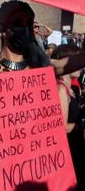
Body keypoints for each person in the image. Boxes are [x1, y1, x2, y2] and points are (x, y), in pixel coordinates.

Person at [0, 0, 85, 76]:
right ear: (3, 28)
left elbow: (60, 65)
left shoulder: (39, 67)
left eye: (29, 24)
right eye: (17, 23)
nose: (25, 28)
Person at [51, 44, 85, 191]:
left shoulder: (71, 88)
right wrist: (82, 125)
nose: (80, 65)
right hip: (69, 153)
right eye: (75, 60)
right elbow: (61, 128)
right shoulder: (60, 89)